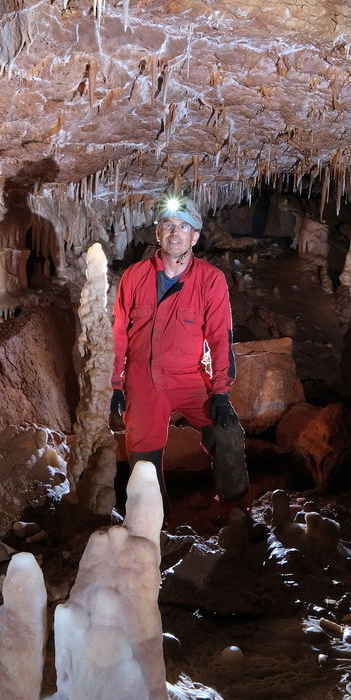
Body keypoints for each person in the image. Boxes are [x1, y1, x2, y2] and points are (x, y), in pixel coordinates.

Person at [110, 195, 248, 506]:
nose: (175, 232)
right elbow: (118, 335)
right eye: (169, 225)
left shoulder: (209, 280)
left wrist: (221, 394)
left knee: (228, 434)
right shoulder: (134, 277)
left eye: (183, 227)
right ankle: (157, 533)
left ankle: (236, 514)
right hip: (143, 378)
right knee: (144, 463)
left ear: (195, 236)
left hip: (188, 377)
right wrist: (115, 384)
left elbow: (219, 337)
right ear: (158, 233)